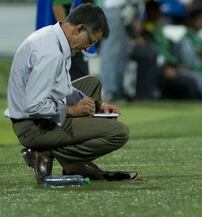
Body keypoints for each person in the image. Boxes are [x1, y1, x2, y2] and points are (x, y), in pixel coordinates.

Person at [4, 3, 142, 183]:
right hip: (33, 126)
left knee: (91, 84)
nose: (87, 48)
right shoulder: (50, 54)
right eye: (90, 41)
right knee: (118, 132)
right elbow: (33, 105)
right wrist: (71, 110)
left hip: (36, 118)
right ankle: (47, 153)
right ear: (79, 29)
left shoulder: (53, 36)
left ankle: (70, 163)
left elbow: (62, 88)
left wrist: (98, 106)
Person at [99, 0, 131, 101]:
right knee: (110, 50)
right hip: (113, 8)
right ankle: (109, 89)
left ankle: (118, 88)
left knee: (123, 51)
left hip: (126, 8)